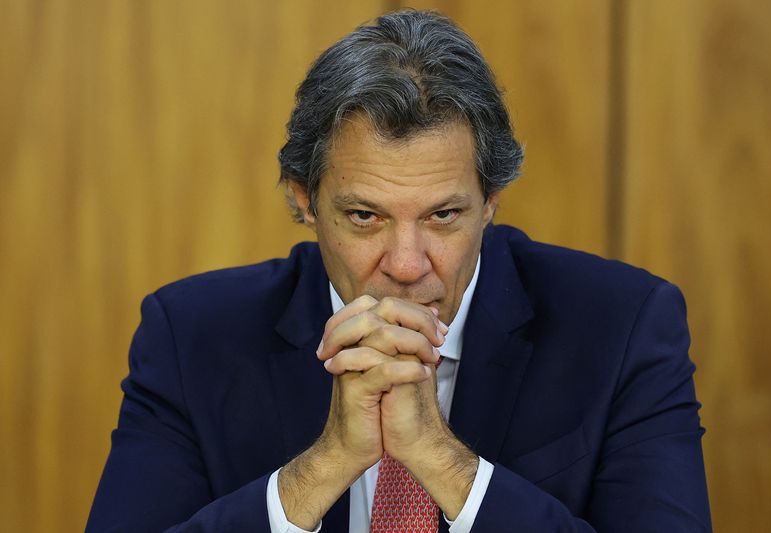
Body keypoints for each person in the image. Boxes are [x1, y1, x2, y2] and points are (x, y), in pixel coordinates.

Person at [87, 9, 711, 532]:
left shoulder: (623, 326)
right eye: (364, 216)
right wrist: (326, 464)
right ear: (303, 199)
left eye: (443, 215)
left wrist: (440, 459)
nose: (407, 265)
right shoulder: (191, 334)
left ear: (491, 201)